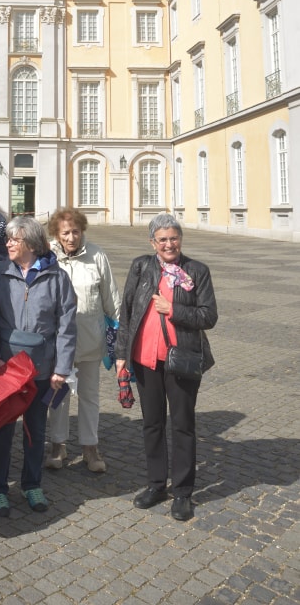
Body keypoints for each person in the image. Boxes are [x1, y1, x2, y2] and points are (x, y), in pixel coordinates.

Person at [115, 214, 218, 522]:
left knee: (183, 425)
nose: (169, 244)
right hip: (146, 359)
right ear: (153, 243)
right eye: (163, 239)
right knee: (152, 424)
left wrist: (173, 310)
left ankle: (183, 493)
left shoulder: (197, 270)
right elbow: (127, 312)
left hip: (182, 359)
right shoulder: (141, 267)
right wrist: (122, 355)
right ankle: (156, 485)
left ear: (181, 239)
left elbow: (208, 315)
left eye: (174, 238)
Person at [0, 216, 77, 517]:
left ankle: (31, 483)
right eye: (8, 238)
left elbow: (66, 327)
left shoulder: (57, 277)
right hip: (5, 368)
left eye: (14, 239)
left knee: (34, 430)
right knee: (0, 430)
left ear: (31, 243)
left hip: (41, 370)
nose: (8, 243)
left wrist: (61, 369)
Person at [45, 207, 121, 473]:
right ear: (56, 233)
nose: (71, 237)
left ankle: (90, 446)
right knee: (58, 395)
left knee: (89, 395)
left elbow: (111, 298)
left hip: (91, 340)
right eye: (65, 232)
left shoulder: (97, 255)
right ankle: (58, 445)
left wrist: (120, 336)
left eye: (76, 231)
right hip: (58, 343)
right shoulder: (48, 256)